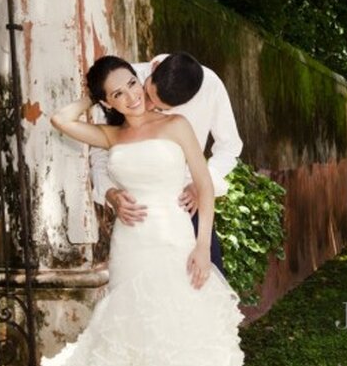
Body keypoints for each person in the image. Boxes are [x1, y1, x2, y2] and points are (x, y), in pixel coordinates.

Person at [41, 56, 244, 366]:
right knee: (133, 334)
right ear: (108, 102)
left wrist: (202, 245)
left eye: (132, 84)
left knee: (182, 330)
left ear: (141, 78)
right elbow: (60, 120)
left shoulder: (177, 124)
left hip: (176, 239)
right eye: (118, 94)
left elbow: (204, 186)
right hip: (131, 245)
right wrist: (91, 96)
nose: (132, 96)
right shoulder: (112, 135)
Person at [90, 52, 243, 274]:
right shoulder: (121, 81)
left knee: (203, 287)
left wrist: (200, 185)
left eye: (161, 108)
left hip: (188, 207)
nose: (148, 106)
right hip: (137, 214)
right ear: (154, 66)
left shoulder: (210, 87)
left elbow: (229, 147)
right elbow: (99, 156)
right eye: (149, 94)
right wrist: (110, 193)